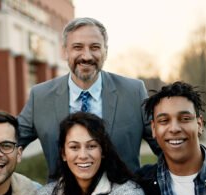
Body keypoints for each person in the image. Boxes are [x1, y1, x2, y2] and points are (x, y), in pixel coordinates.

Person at [18, 17, 158, 178]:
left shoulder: (133, 92)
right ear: (64, 51)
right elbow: (9, 142)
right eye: (77, 47)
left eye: (95, 47)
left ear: (105, 51)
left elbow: (165, 147)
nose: (87, 56)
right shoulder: (40, 97)